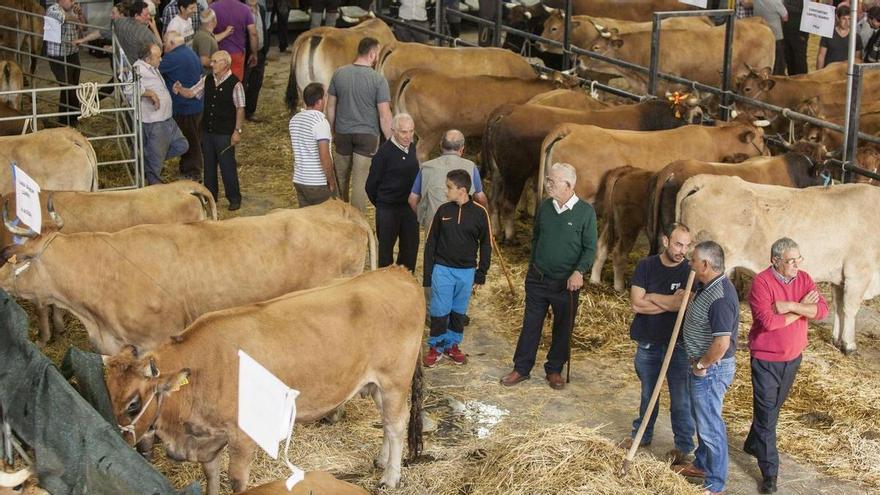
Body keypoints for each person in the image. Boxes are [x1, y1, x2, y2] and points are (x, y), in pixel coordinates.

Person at [500, 162, 597, 391]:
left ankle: (554, 369)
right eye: (547, 180)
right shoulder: (544, 207)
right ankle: (521, 368)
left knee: (563, 328)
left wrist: (578, 272)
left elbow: (590, 248)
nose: (547, 184)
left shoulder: (586, 212)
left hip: (567, 283)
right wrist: (533, 266)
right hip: (538, 278)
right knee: (530, 325)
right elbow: (536, 238)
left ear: (569, 185)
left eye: (552, 181)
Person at [744, 238, 828, 494]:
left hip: (793, 356)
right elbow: (769, 323)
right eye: (790, 261)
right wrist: (804, 309)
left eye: (798, 259)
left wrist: (791, 306)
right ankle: (770, 473)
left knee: (772, 409)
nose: (796, 265)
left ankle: (752, 442)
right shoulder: (761, 283)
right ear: (775, 261)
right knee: (768, 415)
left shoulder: (804, 278)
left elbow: (822, 311)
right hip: (766, 358)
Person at [622, 223, 695, 466]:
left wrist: (652, 297)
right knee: (647, 394)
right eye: (678, 244)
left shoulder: (690, 271)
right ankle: (641, 436)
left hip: (679, 346)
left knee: (681, 399)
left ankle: (684, 447)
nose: (682, 250)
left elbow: (683, 305)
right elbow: (636, 304)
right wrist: (669, 301)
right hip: (649, 343)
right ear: (665, 241)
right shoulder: (646, 266)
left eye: (686, 245)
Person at [673, 241, 739, 495]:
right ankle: (702, 465)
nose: (689, 263)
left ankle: (715, 483)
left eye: (693, 260)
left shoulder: (721, 297)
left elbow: (721, 343)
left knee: (711, 426)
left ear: (705, 265)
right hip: (701, 367)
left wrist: (702, 364)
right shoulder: (707, 286)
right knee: (702, 420)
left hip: (711, 370)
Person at [422, 169, 491, 367]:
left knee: (458, 311)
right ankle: (436, 347)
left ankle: (452, 345)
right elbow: (430, 243)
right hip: (442, 269)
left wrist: (481, 274)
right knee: (439, 310)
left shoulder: (480, 213)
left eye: (449, 187)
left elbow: (486, 244)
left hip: (467, 272)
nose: (446, 191)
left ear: (462, 190)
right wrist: (428, 275)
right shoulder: (443, 211)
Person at [326, 37, 393, 212]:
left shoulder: (339, 73)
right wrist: (394, 142)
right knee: (360, 183)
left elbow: (330, 107)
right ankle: (358, 223)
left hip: (342, 133)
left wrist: (329, 133)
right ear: (372, 54)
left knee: (340, 179)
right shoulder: (378, 80)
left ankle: (339, 217)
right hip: (367, 137)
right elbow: (385, 116)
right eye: (377, 53)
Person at [173, 50, 245, 210]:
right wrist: (180, 89)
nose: (211, 64)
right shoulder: (207, 79)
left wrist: (237, 131)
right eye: (211, 61)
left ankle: (234, 198)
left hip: (225, 133)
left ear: (225, 64)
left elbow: (240, 109)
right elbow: (192, 92)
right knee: (209, 166)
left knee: (228, 166)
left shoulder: (235, 84)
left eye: (214, 61)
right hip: (207, 131)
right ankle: (210, 196)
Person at [365, 113, 420, 272]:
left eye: (411, 131)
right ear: (393, 130)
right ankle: (385, 284)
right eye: (404, 132)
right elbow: (371, 186)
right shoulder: (383, 154)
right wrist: (383, 203)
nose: (408, 136)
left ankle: (405, 280)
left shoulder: (412, 148)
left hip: (409, 208)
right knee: (386, 251)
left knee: (410, 248)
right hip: (388, 209)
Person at [408, 130, 488, 233]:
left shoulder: (426, 167)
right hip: (462, 227)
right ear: (462, 149)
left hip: (434, 226)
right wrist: (485, 215)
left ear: (441, 146)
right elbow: (480, 198)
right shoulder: (470, 167)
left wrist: (423, 219)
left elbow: (412, 200)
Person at [133, 44, 189, 185]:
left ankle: (147, 161)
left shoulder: (151, 67)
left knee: (182, 145)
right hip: (156, 121)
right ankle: (154, 191)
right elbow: (129, 89)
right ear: (147, 59)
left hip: (166, 118)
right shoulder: (138, 69)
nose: (161, 60)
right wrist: (150, 93)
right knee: (156, 164)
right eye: (158, 57)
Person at [159, 30, 204, 181]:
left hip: (184, 107)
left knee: (190, 140)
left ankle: (193, 172)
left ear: (172, 43)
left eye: (165, 42)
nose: (163, 46)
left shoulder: (172, 58)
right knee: (194, 137)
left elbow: (154, 69)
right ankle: (188, 168)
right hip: (196, 105)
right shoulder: (190, 53)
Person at [289, 82, 336, 207]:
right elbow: (324, 155)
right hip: (317, 182)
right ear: (319, 102)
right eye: (325, 97)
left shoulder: (294, 120)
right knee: (324, 222)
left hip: (299, 180)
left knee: (307, 222)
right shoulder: (320, 122)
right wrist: (331, 180)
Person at [45, 0, 81, 126]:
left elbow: (84, 26)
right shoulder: (53, 10)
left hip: (73, 53)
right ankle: (67, 118)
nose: (72, 2)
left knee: (73, 86)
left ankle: (71, 117)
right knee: (66, 86)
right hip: (58, 56)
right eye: (69, 0)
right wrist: (76, 17)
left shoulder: (73, 10)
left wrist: (80, 15)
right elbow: (65, 18)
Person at [211, 0, 258, 80]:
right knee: (235, 85)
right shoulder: (245, 9)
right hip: (237, 54)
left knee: (218, 85)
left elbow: (206, 33)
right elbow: (253, 33)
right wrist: (254, 53)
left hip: (218, 54)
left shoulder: (212, 8)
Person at [243, 0, 269, 122]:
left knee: (256, 82)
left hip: (261, 51)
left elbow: (264, 28)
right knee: (243, 82)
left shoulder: (262, 9)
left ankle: (250, 112)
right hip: (247, 53)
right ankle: (240, 112)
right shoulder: (242, 10)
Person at [192, 8, 232, 74]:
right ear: (213, 21)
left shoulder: (205, 33)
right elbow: (204, 61)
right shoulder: (204, 38)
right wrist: (219, 64)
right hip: (206, 75)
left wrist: (226, 32)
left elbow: (212, 40)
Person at [754, 0, 788, 75]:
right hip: (775, 36)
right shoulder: (775, 2)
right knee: (778, 64)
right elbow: (785, 17)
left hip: (760, 35)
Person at [782, 0, 809, 74]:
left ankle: (801, 82)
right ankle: (792, 81)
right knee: (789, 58)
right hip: (786, 29)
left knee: (799, 60)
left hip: (800, 30)